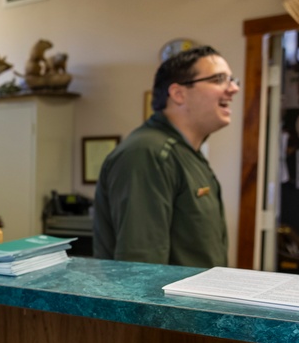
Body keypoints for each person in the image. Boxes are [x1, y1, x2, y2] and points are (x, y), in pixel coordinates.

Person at [93, 45, 238, 267]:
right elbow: (140, 271)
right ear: (179, 94)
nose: (233, 88)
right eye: (219, 79)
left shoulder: (185, 153)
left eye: (232, 79)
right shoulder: (148, 154)